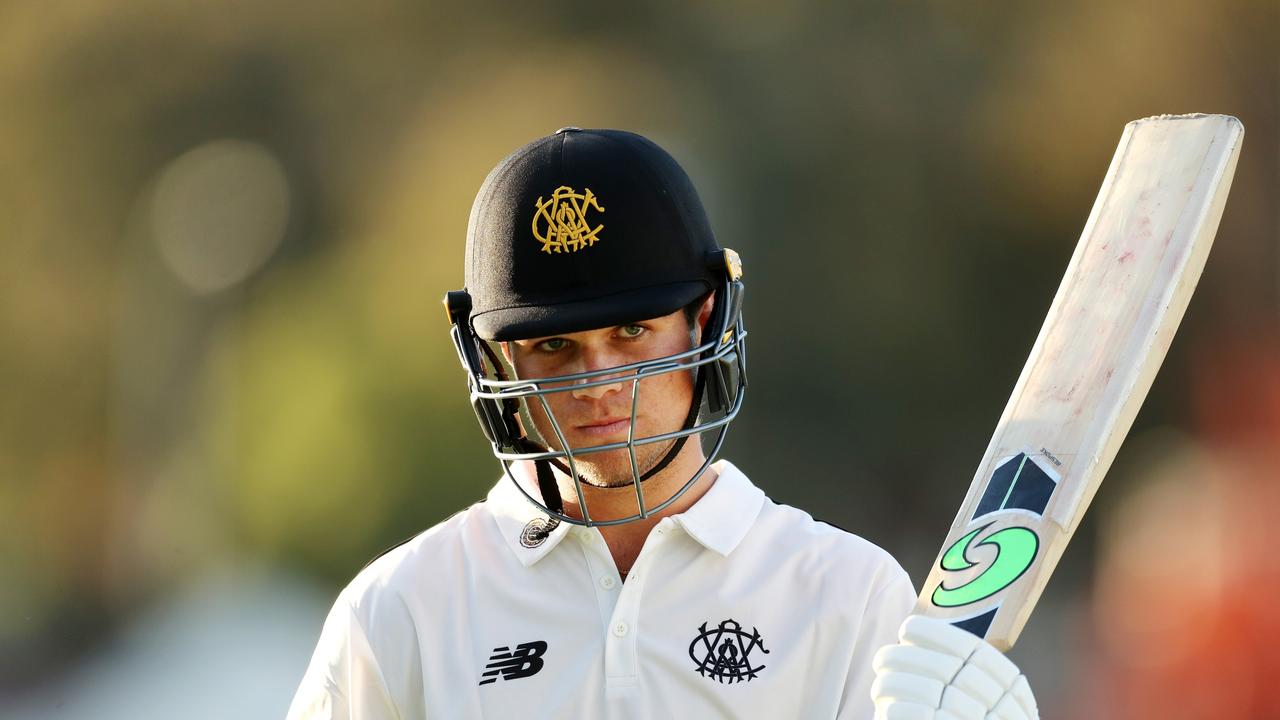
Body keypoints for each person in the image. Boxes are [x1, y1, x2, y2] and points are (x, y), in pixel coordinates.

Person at [287, 128, 1039, 719]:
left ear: (703, 319)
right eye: (554, 346)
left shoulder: (843, 594)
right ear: (498, 361)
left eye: (633, 333)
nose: (596, 384)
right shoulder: (403, 610)